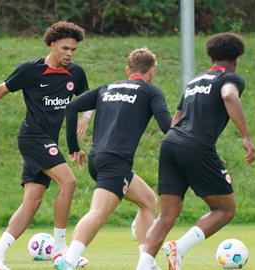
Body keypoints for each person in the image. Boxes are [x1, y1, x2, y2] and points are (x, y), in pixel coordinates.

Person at [0, 21, 92, 270]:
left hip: (47, 141)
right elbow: (2, 89)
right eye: (65, 48)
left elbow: (89, 99)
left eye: (73, 50)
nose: (69, 54)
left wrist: (86, 116)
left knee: (32, 200)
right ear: (52, 44)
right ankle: (60, 249)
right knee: (69, 181)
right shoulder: (31, 70)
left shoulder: (76, 73)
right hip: (32, 138)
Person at [137, 32, 255, 270]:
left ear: (211, 56)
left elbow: (178, 116)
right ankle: (178, 248)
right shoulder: (230, 79)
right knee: (225, 209)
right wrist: (246, 136)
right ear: (236, 58)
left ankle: (144, 265)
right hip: (193, 146)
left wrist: (188, 148)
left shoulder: (195, 81)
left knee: (167, 213)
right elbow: (229, 96)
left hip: (171, 144)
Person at [53, 48, 171, 270]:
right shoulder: (150, 91)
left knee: (148, 201)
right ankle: (68, 260)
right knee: (99, 213)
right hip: (115, 162)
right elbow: (167, 126)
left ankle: (147, 263)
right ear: (152, 71)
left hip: (99, 159)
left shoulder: (107, 88)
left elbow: (72, 106)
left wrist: (73, 147)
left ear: (128, 70)